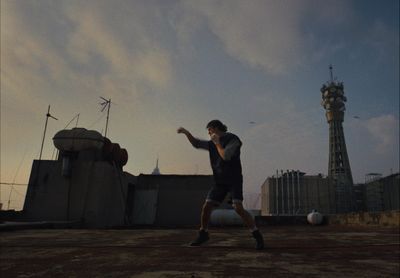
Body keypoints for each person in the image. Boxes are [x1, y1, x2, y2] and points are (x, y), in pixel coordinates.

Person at [177, 120, 264, 250]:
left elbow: (226, 156)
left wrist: (217, 142)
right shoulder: (211, 143)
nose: (208, 133)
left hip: (234, 180)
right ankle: (203, 234)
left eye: (210, 130)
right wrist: (185, 132)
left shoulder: (233, 139)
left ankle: (257, 236)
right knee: (207, 206)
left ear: (216, 128)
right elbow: (196, 143)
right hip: (220, 182)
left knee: (238, 208)